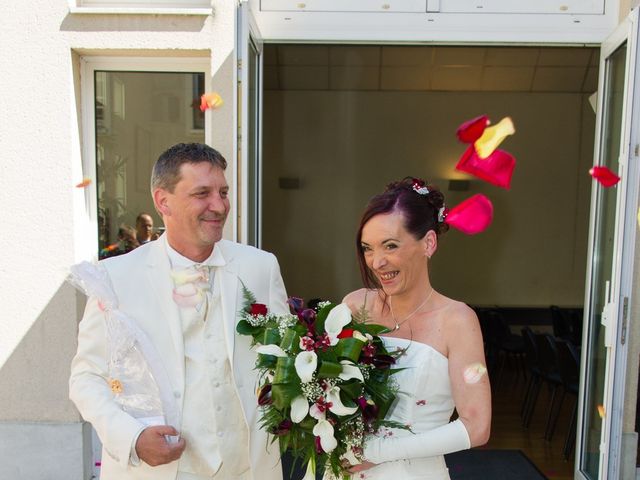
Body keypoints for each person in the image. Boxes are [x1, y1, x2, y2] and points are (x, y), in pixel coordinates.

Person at [69, 143, 289, 480]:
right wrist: (133, 438)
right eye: (203, 193)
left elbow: (285, 357)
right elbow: (86, 378)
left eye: (223, 192)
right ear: (163, 201)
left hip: (250, 467)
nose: (219, 205)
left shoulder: (260, 266)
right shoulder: (115, 278)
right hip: (159, 471)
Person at [342, 177, 491, 479]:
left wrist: (378, 453)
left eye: (391, 246)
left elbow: (477, 426)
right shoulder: (355, 306)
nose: (377, 262)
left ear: (429, 243)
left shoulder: (458, 321)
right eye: (367, 248)